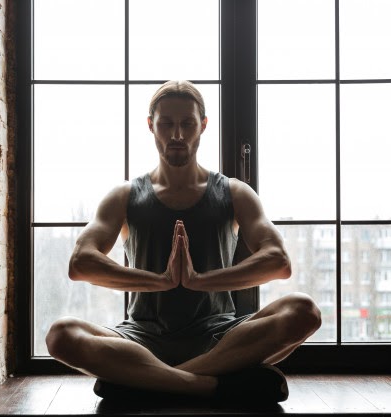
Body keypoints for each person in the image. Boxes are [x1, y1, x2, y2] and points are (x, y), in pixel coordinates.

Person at [46, 80, 321, 403]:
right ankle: (207, 386)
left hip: (220, 340)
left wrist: (200, 281)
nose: (177, 134)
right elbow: (80, 263)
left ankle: (148, 381)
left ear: (202, 126)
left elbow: (279, 261)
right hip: (142, 338)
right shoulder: (124, 195)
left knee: (304, 311)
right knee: (61, 335)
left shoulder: (234, 192)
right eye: (166, 124)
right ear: (151, 126)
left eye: (187, 124)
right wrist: (159, 281)